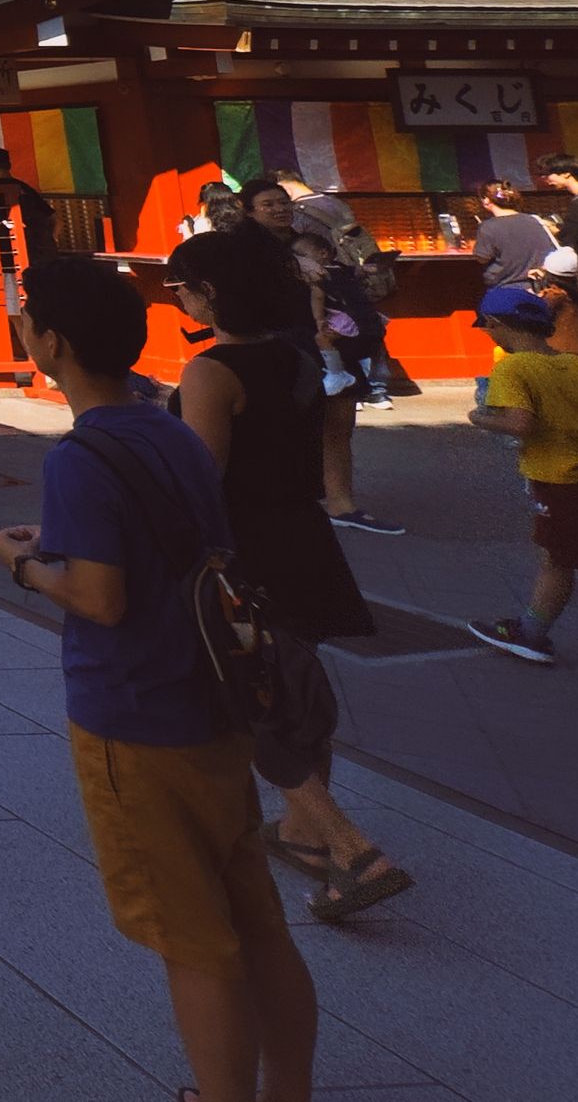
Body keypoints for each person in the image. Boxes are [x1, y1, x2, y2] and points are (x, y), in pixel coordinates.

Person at [0, 256, 317, 1102]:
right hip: (215, 695)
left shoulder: (81, 457)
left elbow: (100, 596)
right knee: (256, 919)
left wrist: (25, 567)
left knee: (193, 940)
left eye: (28, 319)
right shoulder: (170, 426)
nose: (26, 328)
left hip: (134, 711)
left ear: (51, 343)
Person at [164, 231, 412, 923]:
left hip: (244, 550)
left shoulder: (211, 371)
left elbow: (202, 475)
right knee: (296, 685)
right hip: (304, 537)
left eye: (179, 287)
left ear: (210, 291)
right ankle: (302, 833)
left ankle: (350, 848)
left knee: (255, 697)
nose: (177, 298)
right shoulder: (303, 357)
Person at [240, 183, 401, 534]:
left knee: (337, 421)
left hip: (326, 340)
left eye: (283, 202)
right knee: (297, 423)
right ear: (249, 211)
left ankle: (339, 500)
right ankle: (307, 497)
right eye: (268, 204)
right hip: (283, 342)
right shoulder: (244, 247)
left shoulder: (302, 239)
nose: (279, 209)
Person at [466, 283, 578, 666]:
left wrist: (481, 417)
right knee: (562, 557)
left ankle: (530, 633)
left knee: (560, 557)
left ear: (494, 324)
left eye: (487, 328)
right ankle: (531, 629)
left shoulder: (513, 367)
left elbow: (521, 423)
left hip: (558, 480)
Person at [0, 146, 58, 263]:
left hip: (12, 252)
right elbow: (55, 218)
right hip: (41, 250)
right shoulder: (24, 188)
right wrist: (50, 241)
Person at [474, 182, 556, 287]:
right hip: (540, 284)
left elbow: (482, 258)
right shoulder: (535, 220)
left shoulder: (488, 227)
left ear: (486, 200)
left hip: (506, 286)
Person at [543, 152, 578, 266]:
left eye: (549, 174)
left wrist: (548, 228)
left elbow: (570, 238)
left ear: (566, 173)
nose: (545, 179)